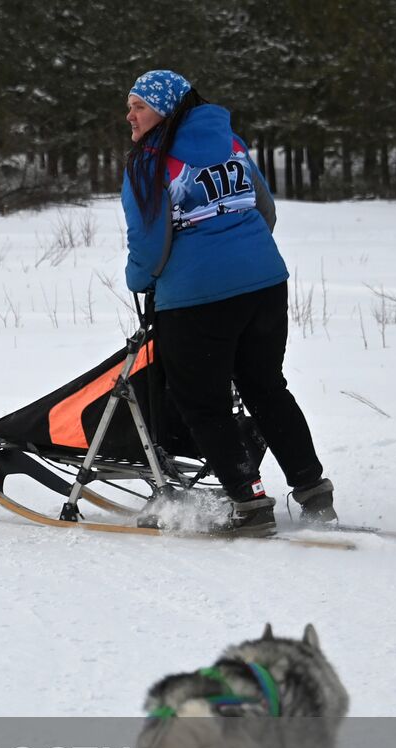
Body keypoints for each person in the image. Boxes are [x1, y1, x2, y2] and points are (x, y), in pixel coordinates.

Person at [122, 69, 336, 533]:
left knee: (203, 402)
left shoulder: (151, 160)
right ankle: (314, 491)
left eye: (139, 106)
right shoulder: (231, 142)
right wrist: (244, 260)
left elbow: (149, 242)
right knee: (266, 388)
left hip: (198, 298)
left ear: (165, 108)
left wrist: (139, 280)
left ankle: (249, 504)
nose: (130, 116)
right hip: (265, 285)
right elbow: (265, 209)